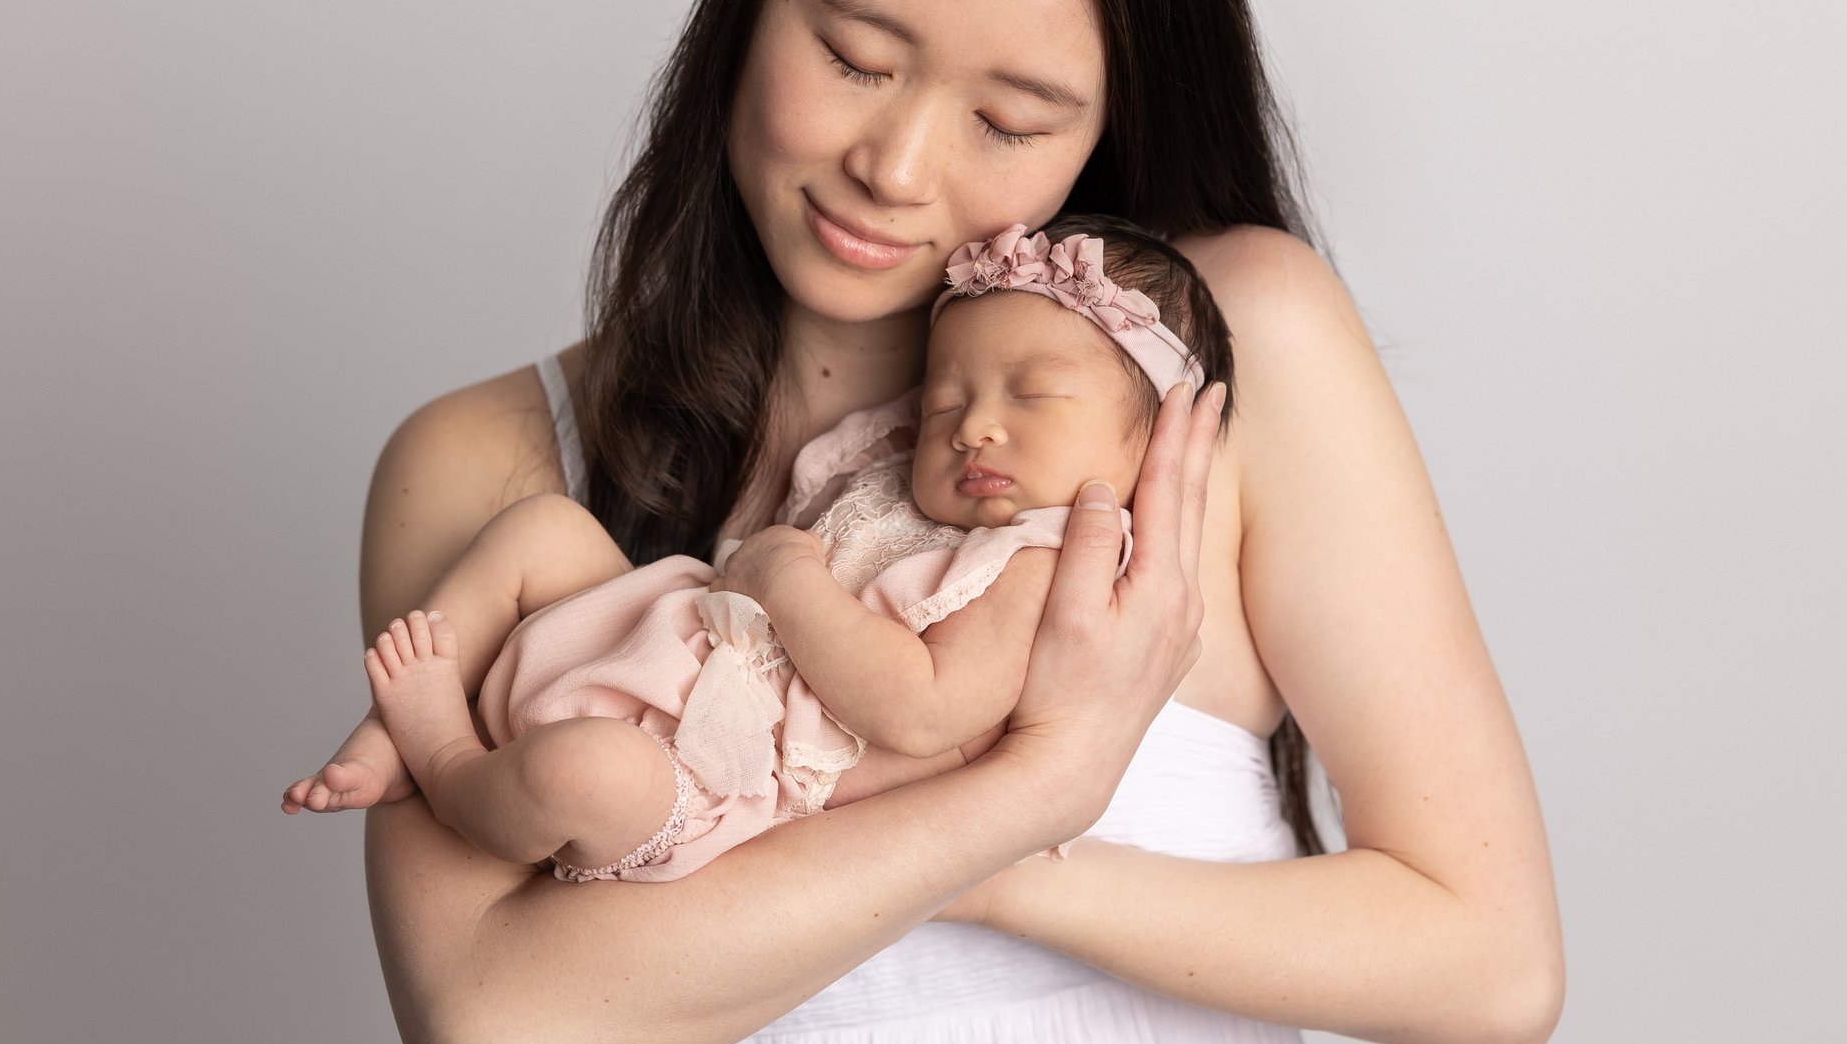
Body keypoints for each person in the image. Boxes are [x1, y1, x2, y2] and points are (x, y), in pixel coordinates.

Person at [333, 0, 1564, 1044]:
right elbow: (492, 1036)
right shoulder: (497, 459)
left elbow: (1490, 962)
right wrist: (1026, 787)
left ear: (1107, 125)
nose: (897, 165)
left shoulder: (1224, 366)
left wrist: (997, 883)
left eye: (1013, 115)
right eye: (854, 53)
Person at [309, 220, 1227, 887]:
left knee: (579, 771)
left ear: (1149, 447)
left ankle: (443, 755)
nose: (974, 426)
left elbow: (922, 705)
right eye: (947, 398)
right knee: (539, 529)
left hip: (722, 770)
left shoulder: (1041, 566)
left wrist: (790, 580)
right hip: (678, 623)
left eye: (1030, 396)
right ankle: (385, 729)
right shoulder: (911, 485)